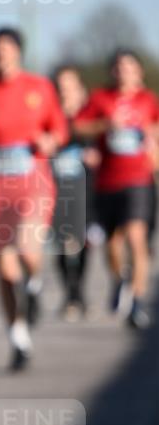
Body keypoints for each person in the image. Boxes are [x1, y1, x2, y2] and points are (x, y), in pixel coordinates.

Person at [0, 28, 68, 370]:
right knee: (4, 270)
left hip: (33, 182)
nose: (1, 54)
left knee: (27, 248)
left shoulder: (39, 87)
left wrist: (51, 142)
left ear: (18, 52)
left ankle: (33, 285)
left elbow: (60, 129)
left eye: (7, 49)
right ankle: (18, 337)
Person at [74, 50, 159, 329]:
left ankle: (136, 301)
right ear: (113, 71)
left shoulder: (149, 100)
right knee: (112, 243)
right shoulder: (100, 98)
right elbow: (77, 126)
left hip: (139, 180)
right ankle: (120, 279)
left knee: (137, 237)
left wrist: (152, 137)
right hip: (108, 181)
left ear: (139, 72)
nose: (124, 71)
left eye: (129, 66)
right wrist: (104, 125)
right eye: (119, 67)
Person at [51, 64, 99, 320]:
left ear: (81, 91)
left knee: (83, 245)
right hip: (57, 191)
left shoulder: (91, 119)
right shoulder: (50, 118)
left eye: (70, 87)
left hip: (87, 191)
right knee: (61, 245)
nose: (65, 92)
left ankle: (78, 292)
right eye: (60, 87)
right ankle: (70, 294)